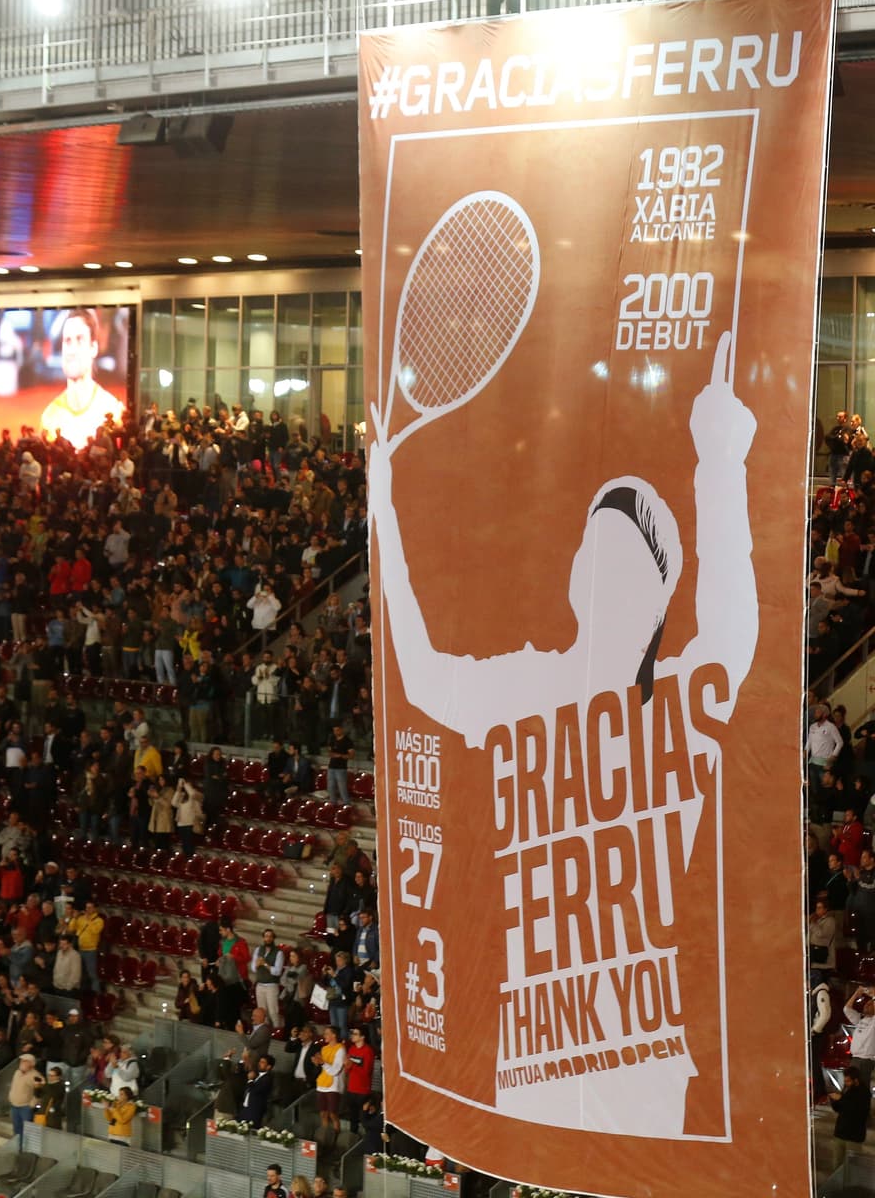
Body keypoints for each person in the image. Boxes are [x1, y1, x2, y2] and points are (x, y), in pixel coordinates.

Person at [367, 331, 757, 1136]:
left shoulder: (680, 698)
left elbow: (732, 632)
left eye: (629, 565)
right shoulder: (531, 681)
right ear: (576, 575)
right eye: (595, 551)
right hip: (535, 1047)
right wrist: (386, 520)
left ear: (658, 605)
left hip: (646, 1054)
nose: (602, 571)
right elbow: (424, 676)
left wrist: (719, 461)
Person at [39, 310, 123, 450]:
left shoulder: (113, 411)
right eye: (67, 341)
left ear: (93, 348)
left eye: (80, 340)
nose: (72, 351)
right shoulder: (49, 417)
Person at [830, 1064, 871, 1173]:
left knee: (852, 1168)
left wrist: (841, 1098)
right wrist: (834, 1100)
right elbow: (839, 1109)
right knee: (837, 1165)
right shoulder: (846, 1089)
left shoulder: (864, 1093)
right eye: (845, 1081)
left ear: (856, 1080)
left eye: (848, 1081)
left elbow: (856, 1111)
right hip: (840, 1133)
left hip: (854, 1136)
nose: (846, 1083)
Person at [8, 1053, 41, 1139]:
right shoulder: (17, 1072)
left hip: (25, 1107)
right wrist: (10, 1097)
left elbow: (39, 1092)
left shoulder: (36, 1076)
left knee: (27, 1131)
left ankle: (25, 1150)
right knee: (16, 1130)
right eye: (21, 1061)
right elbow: (12, 1086)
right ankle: (18, 1149)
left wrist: (32, 1104)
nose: (21, 1063)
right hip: (14, 1105)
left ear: (31, 1063)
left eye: (24, 1061)